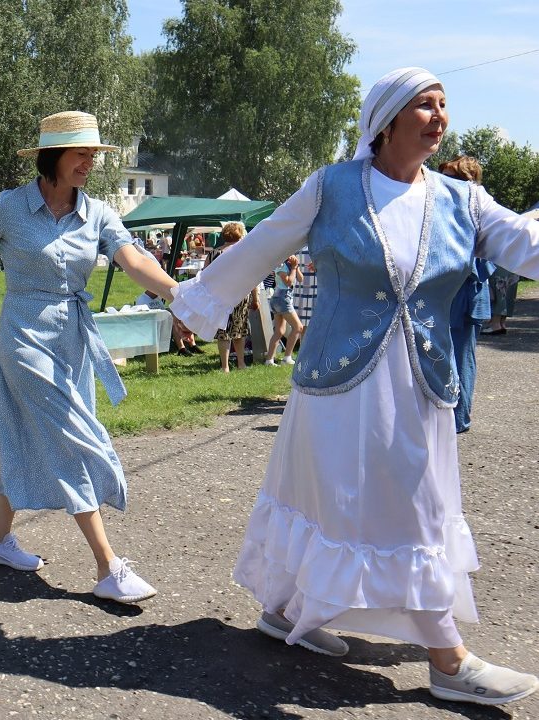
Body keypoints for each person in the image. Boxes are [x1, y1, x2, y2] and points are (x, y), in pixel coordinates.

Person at [171, 67, 539, 705]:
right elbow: (262, 246)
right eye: (424, 105)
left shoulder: (462, 199)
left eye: (443, 105)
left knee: (408, 504)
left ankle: (288, 614)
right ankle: (447, 661)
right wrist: (193, 302)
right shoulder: (333, 187)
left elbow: (525, 242)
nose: (439, 116)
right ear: (388, 119)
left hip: (418, 385)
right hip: (341, 388)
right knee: (351, 502)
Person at [0, 111, 178, 604]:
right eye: (82, 154)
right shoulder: (11, 207)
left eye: (94, 154)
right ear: (53, 156)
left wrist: (178, 292)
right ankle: (107, 565)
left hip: (71, 340)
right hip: (23, 337)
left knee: (29, 433)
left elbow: (133, 259)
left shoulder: (97, 213)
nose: (90, 163)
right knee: (67, 438)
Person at [438, 156, 493, 433]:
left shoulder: (479, 212)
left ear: (470, 182)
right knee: (443, 358)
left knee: (462, 359)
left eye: (453, 178)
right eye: (444, 177)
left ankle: (459, 419)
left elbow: (481, 265)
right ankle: (446, 414)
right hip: (446, 299)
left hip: (467, 300)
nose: (446, 183)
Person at [208, 222, 256, 372]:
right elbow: (251, 276)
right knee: (239, 330)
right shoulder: (244, 252)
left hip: (220, 296)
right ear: (239, 235)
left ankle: (225, 366)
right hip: (240, 295)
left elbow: (205, 275)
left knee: (223, 332)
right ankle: (241, 364)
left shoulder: (213, 253)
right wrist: (256, 297)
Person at [263, 255, 304, 365]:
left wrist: (296, 267)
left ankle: (269, 360)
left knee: (279, 331)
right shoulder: (281, 265)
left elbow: (300, 279)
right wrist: (294, 268)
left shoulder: (290, 266)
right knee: (298, 327)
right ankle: (287, 358)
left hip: (279, 299)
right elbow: (288, 282)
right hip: (282, 299)